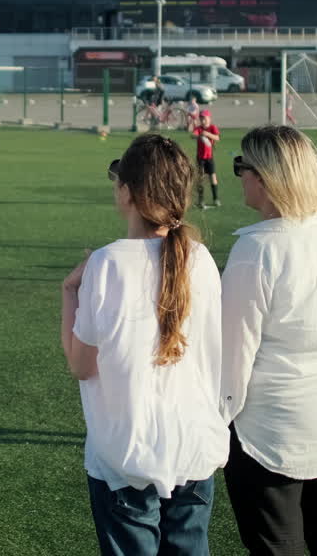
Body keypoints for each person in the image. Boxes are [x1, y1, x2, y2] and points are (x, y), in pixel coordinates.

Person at [61, 134, 227, 556]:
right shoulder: (201, 258)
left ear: (127, 193)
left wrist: (69, 292)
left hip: (125, 454)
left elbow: (81, 365)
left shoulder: (106, 263)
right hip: (193, 444)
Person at [221, 125, 317, 556]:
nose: (240, 177)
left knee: (278, 546)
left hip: (272, 433)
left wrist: (216, 423)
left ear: (265, 177)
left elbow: (235, 359)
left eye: (242, 166)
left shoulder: (256, 249)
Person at [191, 109, 221, 209]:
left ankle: (216, 199)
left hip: (209, 157)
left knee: (213, 177)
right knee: (201, 178)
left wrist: (207, 134)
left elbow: (217, 138)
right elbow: (193, 135)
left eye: (204, 118)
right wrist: (199, 135)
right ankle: (201, 200)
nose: (203, 120)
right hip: (200, 158)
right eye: (201, 118)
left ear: (209, 118)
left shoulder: (212, 127)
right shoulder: (199, 128)